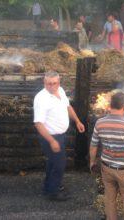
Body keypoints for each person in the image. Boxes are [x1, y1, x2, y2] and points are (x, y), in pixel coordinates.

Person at [89, 91, 124, 220]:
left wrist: (92, 162)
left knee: (109, 199)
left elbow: (93, 146)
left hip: (106, 168)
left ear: (110, 106)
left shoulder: (100, 123)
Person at [34, 71, 85, 201]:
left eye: (54, 83)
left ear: (59, 82)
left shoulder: (61, 91)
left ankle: (49, 187)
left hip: (60, 135)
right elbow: (38, 123)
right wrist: (52, 141)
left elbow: (68, 107)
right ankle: (54, 193)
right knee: (59, 164)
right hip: (50, 137)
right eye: (48, 84)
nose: (51, 86)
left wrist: (77, 121)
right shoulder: (41, 98)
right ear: (44, 83)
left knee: (53, 162)